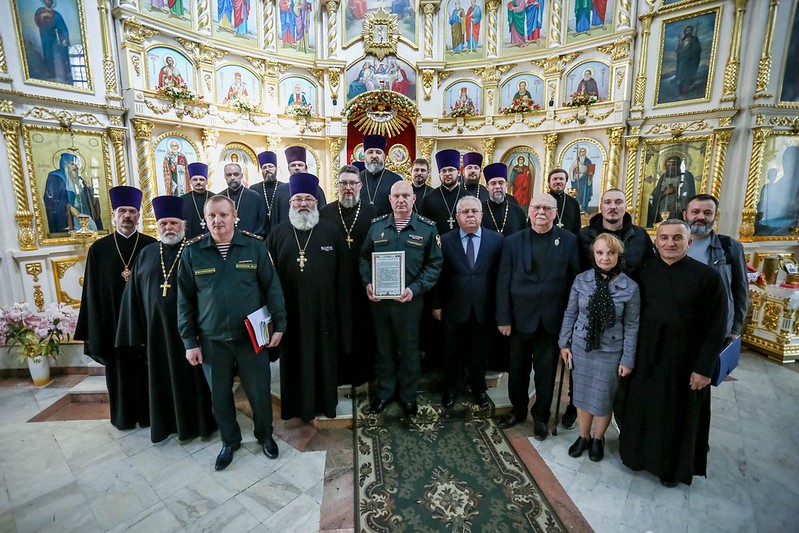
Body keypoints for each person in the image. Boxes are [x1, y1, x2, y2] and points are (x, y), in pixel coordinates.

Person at [178, 195, 287, 470]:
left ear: (234, 215)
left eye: (223, 215)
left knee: (259, 392)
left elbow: (272, 287)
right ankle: (229, 440)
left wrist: (281, 324)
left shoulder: (254, 246)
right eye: (212, 216)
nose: (217, 221)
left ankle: (265, 435)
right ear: (205, 219)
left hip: (252, 337)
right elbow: (184, 301)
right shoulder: (193, 252)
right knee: (220, 397)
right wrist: (189, 341)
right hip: (212, 339)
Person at [620, 220, 727, 487]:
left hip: (685, 361)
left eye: (677, 238)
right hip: (647, 356)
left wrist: (704, 368)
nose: (670, 243)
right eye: (664, 238)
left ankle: (670, 469)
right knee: (642, 408)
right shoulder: (641, 272)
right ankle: (636, 457)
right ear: (656, 243)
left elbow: (716, 327)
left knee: (676, 415)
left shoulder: (708, 278)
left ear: (688, 242)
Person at [116, 196, 216, 444]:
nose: (168, 228)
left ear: (183, 224)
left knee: (194, 380)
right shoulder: (147, 254)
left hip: (192, 332)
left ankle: (199, 425)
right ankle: (166, 425)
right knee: (161, 379)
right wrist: (135, 332)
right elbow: (134, 297)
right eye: (163, 223)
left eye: (173, 223)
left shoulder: (196, 251)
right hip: (157, 333)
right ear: (157, 225)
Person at [496, 193, 580, 439]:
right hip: (519, 319)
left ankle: (541, 416)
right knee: (518, 370)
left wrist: (570, 322)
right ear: (529, 210)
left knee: (545, 374)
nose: (541, 212)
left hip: (551, 321)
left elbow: (574, 283)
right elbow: (503, 282)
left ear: (555, 213)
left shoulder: (569, 240)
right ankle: (518, 410)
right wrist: (504, 318)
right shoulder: (512, 241)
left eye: (547, 207)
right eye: (536, 207)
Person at [269, 173, 351, 421]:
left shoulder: (331, 231)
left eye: (308, 199)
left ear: (316, 202)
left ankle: (325, 404)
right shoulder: (276, 234)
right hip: (289, 314)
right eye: (297, 199)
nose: (303, 203)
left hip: (324, 313)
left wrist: (341, 313)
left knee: (324, 360)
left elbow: (343, 276)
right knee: (294, 361)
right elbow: (268, 279)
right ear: (290, 203)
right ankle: (294, 407)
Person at [571, 188, 655, 429]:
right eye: (608, 202)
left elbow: (649, 269)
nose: (613, 207)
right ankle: (577, 415)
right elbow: (576, 270)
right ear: (601, 206)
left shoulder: (639, 235)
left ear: (625, 206)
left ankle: (614, 420)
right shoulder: (585, 235)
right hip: (588, 313)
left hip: (625, 309)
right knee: (582, 375)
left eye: (618, 202)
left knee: (612, 380)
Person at [75, 186, 156, 431]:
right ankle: (123, 418)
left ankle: (149, 416)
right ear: (114, 215)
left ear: (139, 216)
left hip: (144, 326)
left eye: (132, 211)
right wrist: (96, 328)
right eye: (123, 211)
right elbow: (91, 292)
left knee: (147, 375)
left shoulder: (151, 246)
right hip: (113, 326)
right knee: (119, 374)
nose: (128, 216)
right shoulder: (98, 249)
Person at [360, 181, 443, 416]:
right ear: (390, 199)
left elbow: (435, 264)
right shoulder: (377, 227)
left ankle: (408, 397)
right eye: (396, 195)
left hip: (410, 302)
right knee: (384, 350)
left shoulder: (427, 228)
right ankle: (385, 394)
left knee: (409, 350)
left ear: (414, 198)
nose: (401, 200)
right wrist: (368, 282)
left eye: (406, 195)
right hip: (380, 303)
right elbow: (365, 256)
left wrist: (415, 289)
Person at [558, 233, 640, 462]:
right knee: (582, 395)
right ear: (593, 254)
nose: (605, 258)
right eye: (600, 252)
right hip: (583, 347)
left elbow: (632, 326)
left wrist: (627, 359)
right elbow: (571, 313)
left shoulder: (630, 287)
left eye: (611, 253)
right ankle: (583, 436)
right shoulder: (581, 280)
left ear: (618, 255)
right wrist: (563, 343)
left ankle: (598, 438)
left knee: (603, 398)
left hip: (611, 352)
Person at [433, 196, 503, 407]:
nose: (470, 215)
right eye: (465, 212)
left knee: (480, 353)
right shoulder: (444, 240)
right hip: (453, 308)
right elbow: (438, 276)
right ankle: (451, 389)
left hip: (484, 308)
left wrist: (500, 308)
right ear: (457, 217)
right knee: (451, 352)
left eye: (474, 211)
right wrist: (436, 305)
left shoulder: (497, 240)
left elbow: (501, 277)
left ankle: (479, 389)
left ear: (482, 215)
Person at [320, 166, 379, 386]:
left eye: (352, 183)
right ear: (337, 186)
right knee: (337, 328)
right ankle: (339, 372)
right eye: (343, 183)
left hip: (364, 282)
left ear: (360, 186)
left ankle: (361, 372)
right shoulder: (325, 212)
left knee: (363, 328)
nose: (348, 188)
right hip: (334, 283)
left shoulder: (372, 212)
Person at [684, 194, 749, 342]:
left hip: (714, 326)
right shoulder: (670, 247)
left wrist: (734, 329)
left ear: (715, 216)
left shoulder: (729, 247)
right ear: (685, 214)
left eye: (707, 213)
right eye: (695, 212)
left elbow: (740, 289)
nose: (701, 217)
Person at [43, 152, 102, 233]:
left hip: (84, 218)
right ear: (64, 164)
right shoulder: (55, 177)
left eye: (76, 164)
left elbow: (88, 200)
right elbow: (51, 201)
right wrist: (68, 207)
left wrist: (92, 190)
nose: (75, 167)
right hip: (67, 220)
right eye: (72, 164)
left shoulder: (79, 180)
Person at [418, 149, 465, 235]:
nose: (447, 173)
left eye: (451, 170)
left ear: (458, 173)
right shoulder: (428, 199)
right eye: (443, 171)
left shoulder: (467, 198)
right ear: (439, 174)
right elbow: (423, 228)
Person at [217, 162, 267, 236]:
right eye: (229, 175)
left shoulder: (255, 197)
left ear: (241, 176)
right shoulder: (219, 199)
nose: (232, 177)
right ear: (225, 176)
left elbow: (262, 224)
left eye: (236, 174)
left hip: (250, 243)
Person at [358, 135, 403, 216]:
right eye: (370, 152)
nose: (374, 156)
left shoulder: (396, 180)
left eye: (378, 152)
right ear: (364, 156)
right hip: (361, 227)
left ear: (384, 156)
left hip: (388, 227)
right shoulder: (357, 179)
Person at [647, 155, 696, 226]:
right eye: (668, 165)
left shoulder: (685, 176)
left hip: (678, 210)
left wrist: (678, 199)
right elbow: (655, 195)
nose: (670, 167)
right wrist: (664, 193)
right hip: (662, 210)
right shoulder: (663, 177)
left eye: (673, 165)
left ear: (679, 165)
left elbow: (688, 195)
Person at [33, 0, 73, 84]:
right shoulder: (40, 11)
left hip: (54, 38)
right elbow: (39, 22)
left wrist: (65, 39)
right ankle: (51, 72)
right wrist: (43, 16)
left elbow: (63, 28)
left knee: (60, 53)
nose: (48, 1)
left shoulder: (57, 15)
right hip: (45, 38)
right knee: (48, 54)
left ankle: (65, 73)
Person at [249, 150, 286, 236]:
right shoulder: (254, 189)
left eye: (270, 166)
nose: (267, 169)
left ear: (276, 169)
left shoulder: (284, 188)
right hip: (261, 233)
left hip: (280, 232)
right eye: (264, 167)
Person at [181, 162, 211, 239]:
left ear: (206, 181)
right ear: (190, 181)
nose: (198, 182)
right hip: (190, 240)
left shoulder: (215, 198)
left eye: (201, 179)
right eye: (195, 180)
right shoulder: (182, 200)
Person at [548, 168, 581, 234]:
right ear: (549, 182)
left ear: (566, 181)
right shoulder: (541, 201)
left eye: (561, 179)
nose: (558, 181)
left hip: (568, 242)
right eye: (555, 179)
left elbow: (577, 228)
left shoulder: (573, 203)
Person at [675, 25, 701, 95]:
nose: (688, 32)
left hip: (691, 62)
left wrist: (693, 51)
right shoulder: (682, 40)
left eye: (689, 30)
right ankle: (680, 90)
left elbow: (698, 49)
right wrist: (679, 44)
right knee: (681, 75)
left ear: (691, 31)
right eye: (687, 30)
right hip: (682, 61)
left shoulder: (694, 39)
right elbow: (678, 51)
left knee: (688, 76)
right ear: (685, 32)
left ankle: (687, 90)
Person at [569, 147, 595, 213]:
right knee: (577, 194)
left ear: (585, 153)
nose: (582, 153)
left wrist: (590, 177)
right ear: (579, 152)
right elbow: (571, 169)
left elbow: (590, 171)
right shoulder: (576, 161)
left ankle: (583, 209)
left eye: (583, 152)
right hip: (577, 179)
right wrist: (573, 177)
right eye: (581, 152)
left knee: (584, 194)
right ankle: (576, 208)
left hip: (585, 179)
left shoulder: (588, 161)